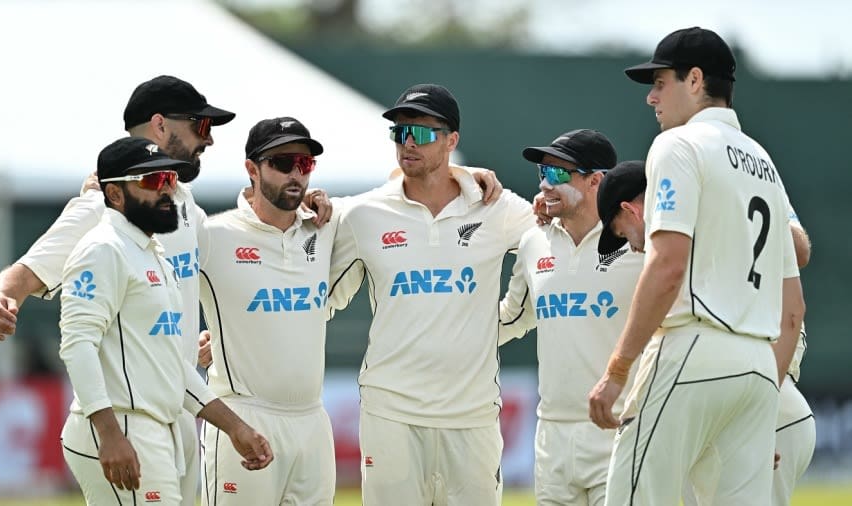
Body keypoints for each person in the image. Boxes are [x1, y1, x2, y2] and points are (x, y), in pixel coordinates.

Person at [0, 75, 238, 506]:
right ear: (160, 124)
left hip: (178, 411)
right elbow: (25, 274)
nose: (207, 140)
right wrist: (0, 300)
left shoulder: (185, 203)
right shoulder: (102, 204)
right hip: (126, 417)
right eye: (200, 126)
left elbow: (211, 270)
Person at [587, 27, 806, 505]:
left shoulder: (677, 145)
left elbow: (667, 266)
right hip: (756, 367)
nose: (650, 98)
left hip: (693, 347)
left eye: (660, 82)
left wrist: (618, 369)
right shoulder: (764, 162)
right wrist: (769, 387)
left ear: (695, 80)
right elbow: (794, 309)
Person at [328, 83, 536, 506]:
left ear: (451, 140)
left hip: (472, 417)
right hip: (391, 414)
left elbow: (554, 241)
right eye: (400, 133)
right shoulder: (362, 214)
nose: (408, 143)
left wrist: (507, 321)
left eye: (421, 134)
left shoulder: (495, 207)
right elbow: (313, 292)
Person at [59, 136, 272, 505]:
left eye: (168, 180)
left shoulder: (152, 253)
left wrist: (235, 427)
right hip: (122, 426)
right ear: (114, 196)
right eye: (149, 181)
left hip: (156, 428)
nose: (165, 191)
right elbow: (77, 345)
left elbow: (172, 365)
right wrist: (109, 434)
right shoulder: (102, 248)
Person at [194, 117, 339, 505]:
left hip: (312, 421)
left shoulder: (326, 229)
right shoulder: (213, 235)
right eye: (282, 162)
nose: (295, 174)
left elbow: (400, 198)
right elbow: (148, 281)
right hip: (243, 415)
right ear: (251, 169)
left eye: (304, 165)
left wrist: (462, 171)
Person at [498, 135, 642, 506]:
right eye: (542, 171)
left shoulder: (639, 242)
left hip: (621, 430)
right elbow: (510, 318)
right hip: (552, 438)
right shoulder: (534, 242)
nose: (545, 182)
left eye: (559, 172)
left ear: (597, 180)